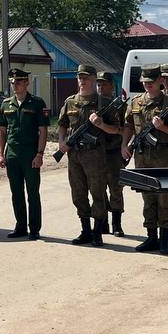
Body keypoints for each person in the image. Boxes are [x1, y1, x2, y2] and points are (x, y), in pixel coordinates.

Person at [121, 66, 168, 254]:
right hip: (142, 157)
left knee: (164, 200)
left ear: (160, 81)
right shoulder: (136, 102)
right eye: (144, 82)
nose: (147, 85)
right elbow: (128, 125)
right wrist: (124, 145)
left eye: (151, 82)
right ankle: (151, 237)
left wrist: (163, 128)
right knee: (147, 198)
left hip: (163, 158)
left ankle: (165, 239)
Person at [57, 63, 110, 246]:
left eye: (86, 77)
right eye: (80, 77)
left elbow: (117, 130)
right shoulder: (70, 101)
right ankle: (85, 229)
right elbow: (62, 124)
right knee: (78, 194)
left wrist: (102, 125)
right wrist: (62, 142)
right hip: (74, 155)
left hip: (95, 155)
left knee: (97, 193)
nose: (82, 81)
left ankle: (97, 231)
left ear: (94, 79)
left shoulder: (104, 102)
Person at [0, 67, 49, 240]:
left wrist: (40, 154)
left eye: (18, 81)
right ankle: (20, 226)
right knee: (16, 193)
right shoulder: (6, 104)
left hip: (30, 154)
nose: (15, 85)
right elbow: (2, 131)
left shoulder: (37, 103)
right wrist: (0, 154)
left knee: (33, 193)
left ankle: (34, 228)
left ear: (26, 82)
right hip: (12, 155)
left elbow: (43, 130)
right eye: (12, 82)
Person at [95, 72, 127, 237]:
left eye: (104, 84)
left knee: (115, 189)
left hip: (113, 152)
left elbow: (125, 130)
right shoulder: (93, 104)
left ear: (112, 86)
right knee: (98, 189)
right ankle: (103, 223)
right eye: (98, 84)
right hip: (96, 153)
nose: (101, 87)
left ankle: (117, 224)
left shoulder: (119, 106)